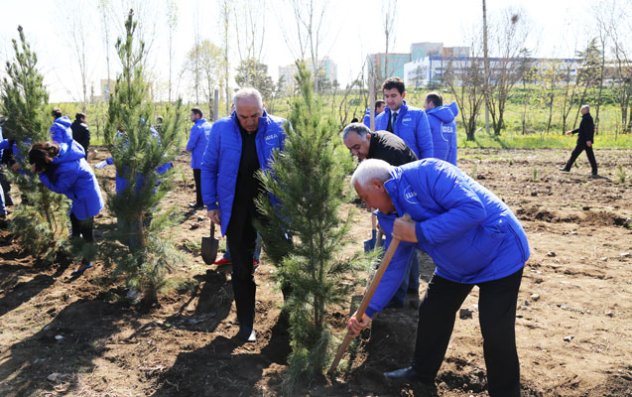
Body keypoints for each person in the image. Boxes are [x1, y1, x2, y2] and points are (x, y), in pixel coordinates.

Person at [347, 158, 530, 397]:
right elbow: (393, 266)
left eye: (364, 197)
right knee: (433, 313)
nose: (366, 205)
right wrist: (368, 310)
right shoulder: (387, 216)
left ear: (378, 186)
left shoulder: (429, 173)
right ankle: (421, 372)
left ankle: (505, 393)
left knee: (496, 332)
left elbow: (473, 209)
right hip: (454, 267)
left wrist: (418, 232)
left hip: (499, 252)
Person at [201, 87, 286, 342]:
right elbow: (208, 167)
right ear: (235, 112)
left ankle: (291, 321)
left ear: (263, 108)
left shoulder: (279, 128)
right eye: (244, 116)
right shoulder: (220, 130)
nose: (250, 122)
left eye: (255, 115)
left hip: (272, 208)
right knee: (241, 268)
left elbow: (293, 167)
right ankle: (246, 325)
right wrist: (211, 204)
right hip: (236, 208)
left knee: (286, 263)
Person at [342, 122, 419, 307]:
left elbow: (391, 190)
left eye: (357, 147)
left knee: (398, 246)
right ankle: (411, 288)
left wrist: (386, 216)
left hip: (409, 199)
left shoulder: (387, 153)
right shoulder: (376, 142)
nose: (355, 153)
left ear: (367, 136)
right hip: (406, 198)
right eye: (351, 149)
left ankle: (395, 299)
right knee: (407, 245)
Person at [29, 141, 104, 277]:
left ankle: (88, 259)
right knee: (74, 222)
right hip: (79, 196)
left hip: (85, 199)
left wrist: (41, 174)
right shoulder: (62, 154)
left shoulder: (67, 168)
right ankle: (72, 251)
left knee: (86, 231)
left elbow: (59, 187)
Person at [374, 78, 433, 160]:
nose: (389, 100)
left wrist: (425, 170)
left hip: (411, 169)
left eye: (393, 96)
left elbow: (426, 148)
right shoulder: (379, 119)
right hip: (388, 169)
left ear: (403, 95)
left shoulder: (418, 115)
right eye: (386, 96)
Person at [561, 104, 598, 177]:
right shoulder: (585, 118)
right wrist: (572, 132)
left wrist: (588, 140)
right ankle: (567, 168)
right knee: (586, 156)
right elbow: (581, 129)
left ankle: (567, 168)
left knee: (576, 154)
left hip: (584, 141)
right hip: (584, 141)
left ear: (586, 110)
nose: (581, 110)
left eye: (582, 109)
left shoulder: (588, 118)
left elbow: (589, 130)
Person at [186, 108, 212, 209]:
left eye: (191, 115)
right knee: (208, 182)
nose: (190, 117)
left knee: (199, 182)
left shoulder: (197, 127)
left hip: (198, 161)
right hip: (209, 159)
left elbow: (190, 145)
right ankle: (208, 202)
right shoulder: (210, 126)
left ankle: (199, 203)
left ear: (197, 115)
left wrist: (187, 148)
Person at [424, 92, 459, 165]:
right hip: (451, 163)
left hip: (435, 164)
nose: (424, 106)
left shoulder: (428, 119)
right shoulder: (452, 121)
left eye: (425, 103)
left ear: (431, 103)